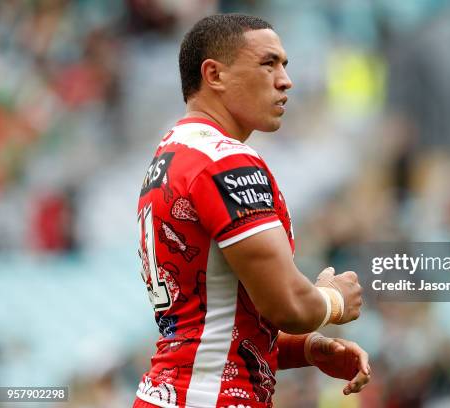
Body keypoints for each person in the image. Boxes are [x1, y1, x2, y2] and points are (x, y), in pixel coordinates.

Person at [133, 14, 370, 408]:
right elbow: (289, 306)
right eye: (268, 63)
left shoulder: (171, 155)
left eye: (285, 65)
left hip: (174, 393)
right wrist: (335, 299)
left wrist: (309, 349)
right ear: (215, 74)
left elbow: (212, 327)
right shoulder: (225, 160)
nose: (285, 80)